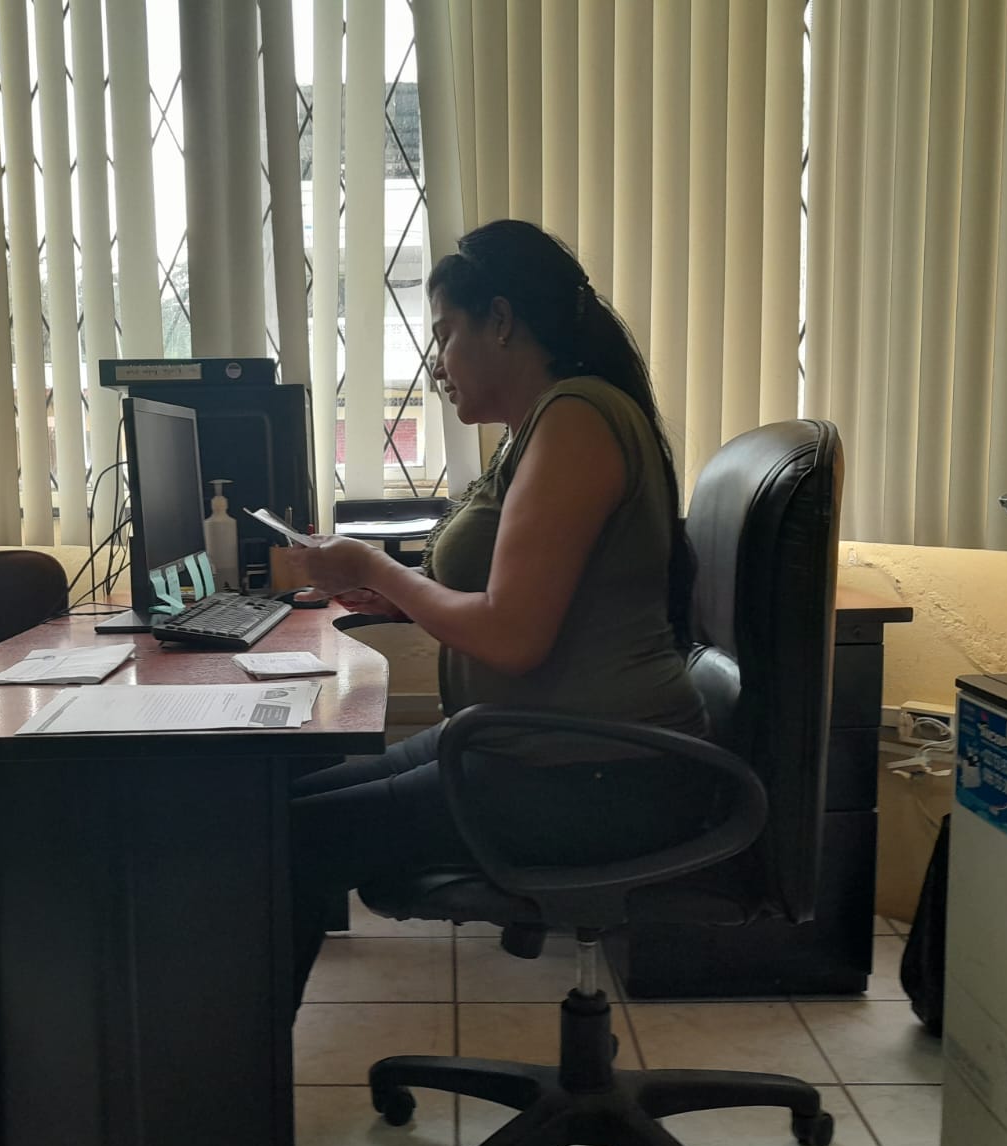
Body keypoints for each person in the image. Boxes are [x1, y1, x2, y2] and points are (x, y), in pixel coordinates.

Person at [281, 219, 713, 1004]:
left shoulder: (578, 420)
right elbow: (524, 601)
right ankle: (234, 1058)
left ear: (502, 321)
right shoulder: (537, 429)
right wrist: (402, 599)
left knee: (285, 842)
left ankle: (219, 1068)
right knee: (284, 806)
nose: (436, 363)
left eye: (444, 334)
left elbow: (512, 638)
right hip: (533, 748)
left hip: (598, 775)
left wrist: (375, 566)